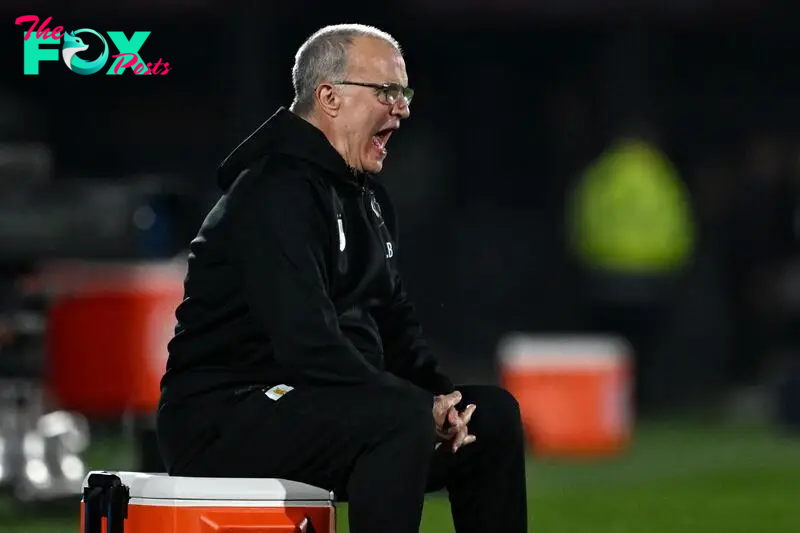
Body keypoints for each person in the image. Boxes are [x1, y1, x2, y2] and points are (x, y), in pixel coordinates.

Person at [156, 24, 528, 533]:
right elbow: (304, 341)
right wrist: (417, 406)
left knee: (492, 417)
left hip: (319, 401)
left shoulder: (368, 200)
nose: (403, 108)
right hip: (228, 413)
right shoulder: (272, 194)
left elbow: (396, 331)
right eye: (387, 91)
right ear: (329, 97)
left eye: (405, 92)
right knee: (399, 416)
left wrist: (444, 402)